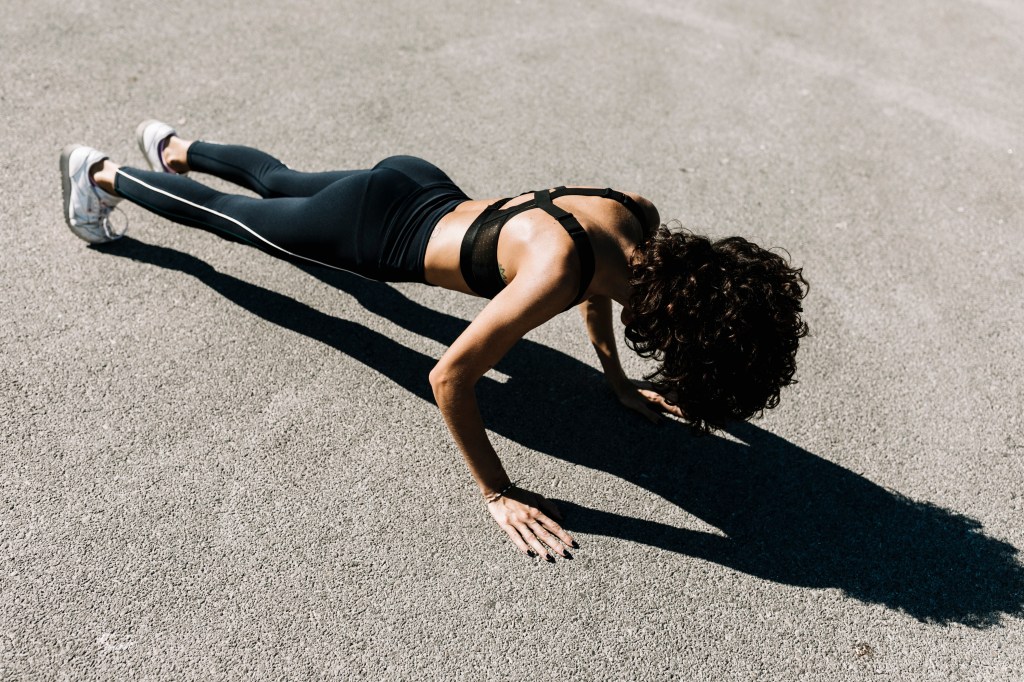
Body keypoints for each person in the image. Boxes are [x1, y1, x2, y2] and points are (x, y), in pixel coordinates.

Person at [60, 121, 809, 561]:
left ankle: (176, 143)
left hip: (417, 185)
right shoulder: (554, 275)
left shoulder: (637, 218)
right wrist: (499, 492)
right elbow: (448, 377)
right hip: (374, 234)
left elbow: (603, 285)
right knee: (233, 220)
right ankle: (101, 174)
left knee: (281, 179)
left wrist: (613, 380)